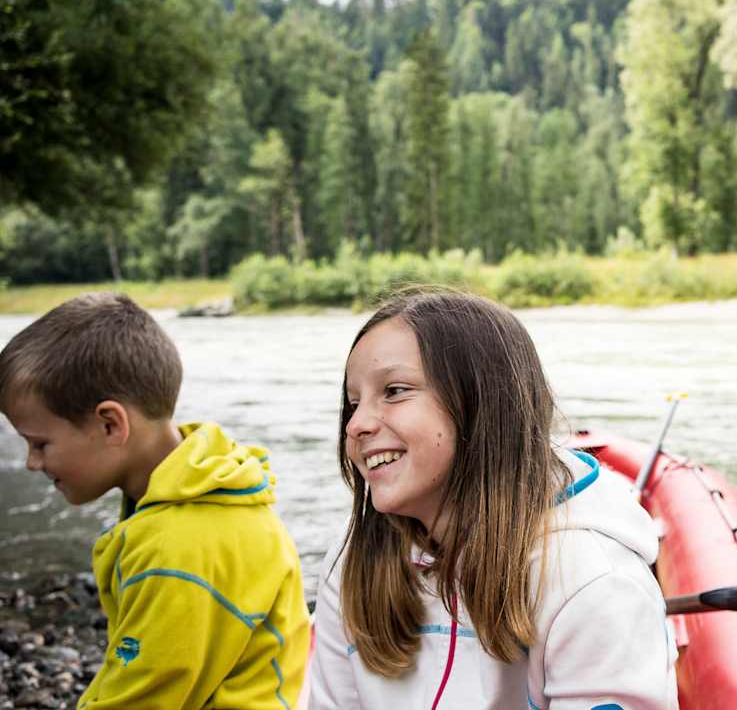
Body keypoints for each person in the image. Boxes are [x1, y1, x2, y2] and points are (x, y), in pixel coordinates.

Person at [308, 289, 678, 709]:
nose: (356, 425)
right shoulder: (354, 557)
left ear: (481, 403)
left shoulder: (593, 578)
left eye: (394, 391)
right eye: (354, 403)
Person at [0, 293, 310, 709]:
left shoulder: (176, 550)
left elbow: (144, 698)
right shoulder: (201, 487)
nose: (31, 463)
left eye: (39, 443)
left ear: (111, 424)